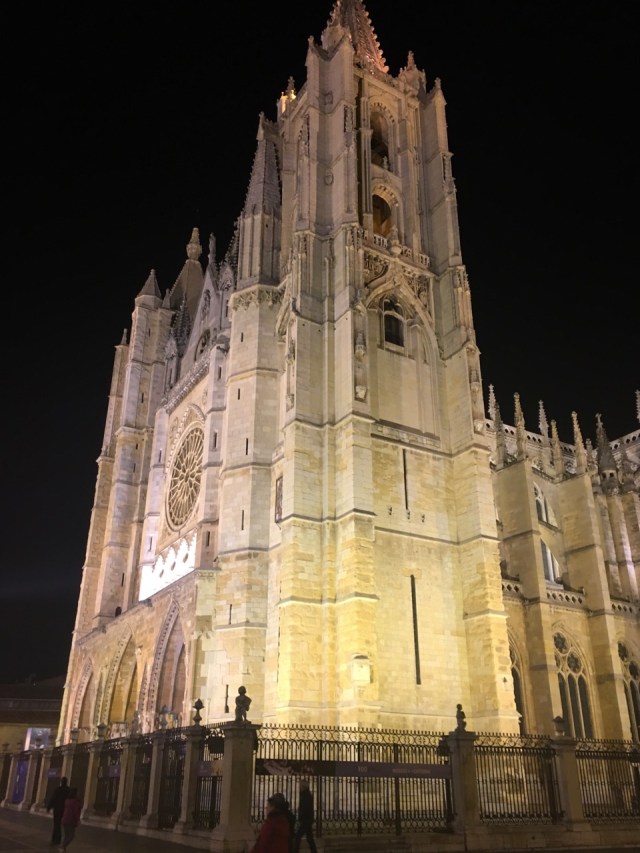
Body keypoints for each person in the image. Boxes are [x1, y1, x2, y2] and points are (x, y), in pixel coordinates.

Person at [293, 779, 318, 853]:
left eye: (300, 785)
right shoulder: (306, 794)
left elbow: (304, 809)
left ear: (303, 786)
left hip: (305, 820)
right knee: (309, 838)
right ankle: (314, 851)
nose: (299, 787)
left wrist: (301, 817)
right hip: (307, 820)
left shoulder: (305, 795)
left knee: (297, 837)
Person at [46, 776, 70, 846]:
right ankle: (62, 839)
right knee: (64, 826)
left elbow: (53, 798)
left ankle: (56, 839)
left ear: (61, 782)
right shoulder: (68, 790)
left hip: (57, 809)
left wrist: (49, 807)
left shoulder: (57, 790)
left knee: (56, 824)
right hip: (65, 809)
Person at [59, 786, 82, 851]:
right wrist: (78, 820)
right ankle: (62, 846)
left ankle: (63, 848)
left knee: (66, 835)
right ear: (76, 793)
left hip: (64, 819)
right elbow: (75, 812)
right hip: (70, 820)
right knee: (71, 836)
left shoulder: (67, 800)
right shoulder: (76, 802)